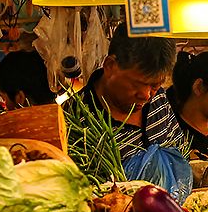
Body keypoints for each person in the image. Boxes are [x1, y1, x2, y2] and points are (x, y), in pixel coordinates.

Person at [77, 26, 184, 162]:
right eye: (136, 84)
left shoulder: (159, 98)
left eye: (155, 85)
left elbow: (180, 154)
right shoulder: (74, 119)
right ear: (110, 66)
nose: (146, 95)